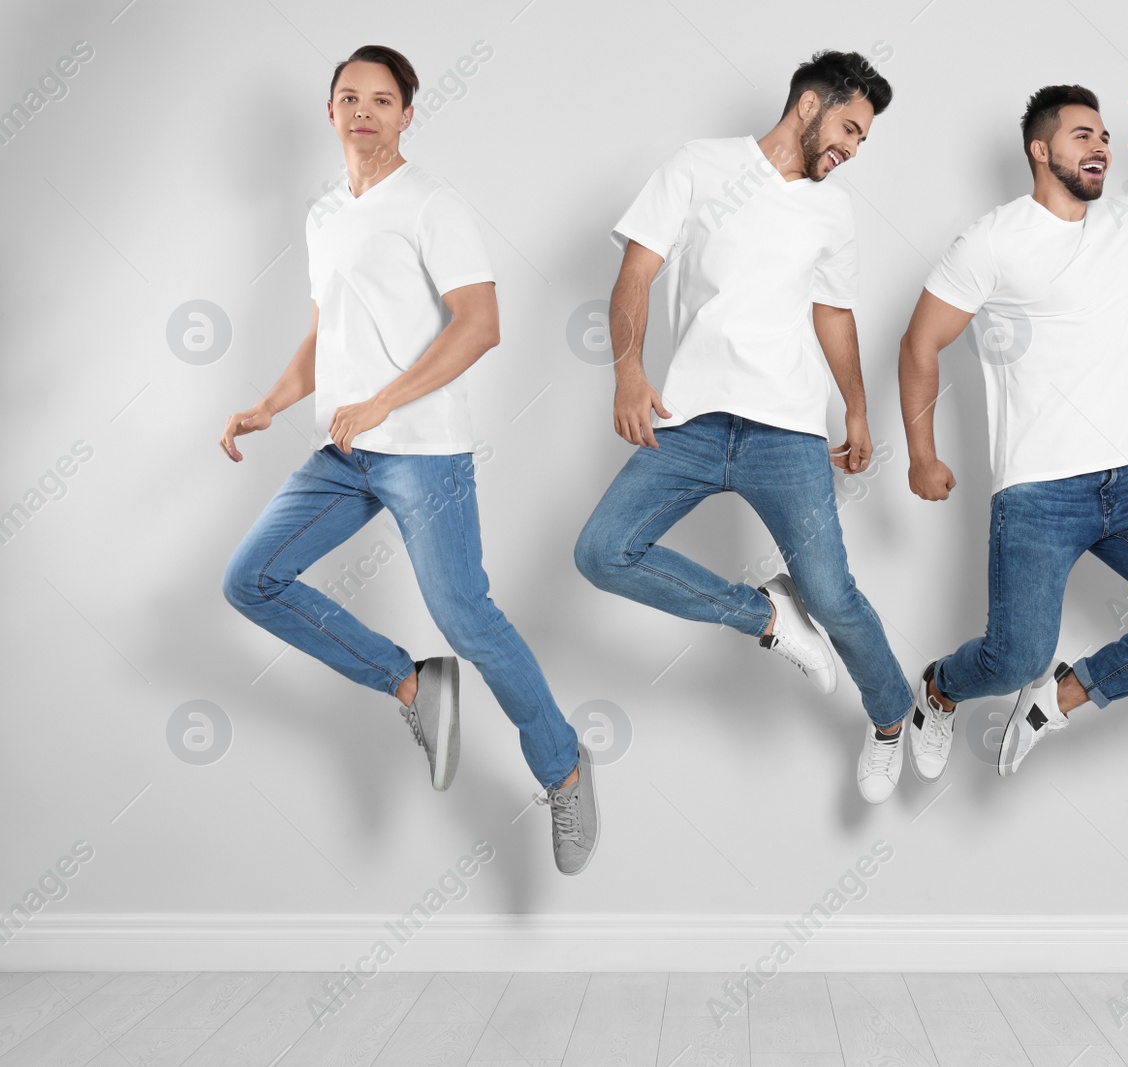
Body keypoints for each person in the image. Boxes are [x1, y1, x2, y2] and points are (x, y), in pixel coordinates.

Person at [219, 45, 597, 874]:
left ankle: (564, 766)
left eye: (381, 100)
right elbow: (330, 333)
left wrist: (386, 399)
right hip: (343, 451)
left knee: (468, 616)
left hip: (421, 450)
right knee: (250, 580)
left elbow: (480, 323)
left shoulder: (431, 204)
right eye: (348, 97)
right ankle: (410, 683)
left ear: (407, 115)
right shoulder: (323, 215)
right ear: (330, 113)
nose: (363, 111)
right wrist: (272, 402)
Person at [574, 50, 916, 803]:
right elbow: (637, 272)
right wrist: (628, 371)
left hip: (787, 431)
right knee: (603, 551)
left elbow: (833, 312)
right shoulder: (699, 166)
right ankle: (766, 614)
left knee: (835, 597)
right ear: (807, 105)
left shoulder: (833, 209)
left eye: (863, 141)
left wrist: (856, 406)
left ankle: (893, 716)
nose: (852, 148)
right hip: (690, 419)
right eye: (850, 127)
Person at [897, 84, 1128, 779]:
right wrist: (920, 454)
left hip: (1127, 482)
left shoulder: (1124, 221)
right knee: (1011, 658)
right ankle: (938, 689)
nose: (1100, 147)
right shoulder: (994, 238)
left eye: (1105, 138)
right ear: (1040, 149)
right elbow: (919, 344)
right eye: (1082, 135)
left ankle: (1059, 697)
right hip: (1037, 497)